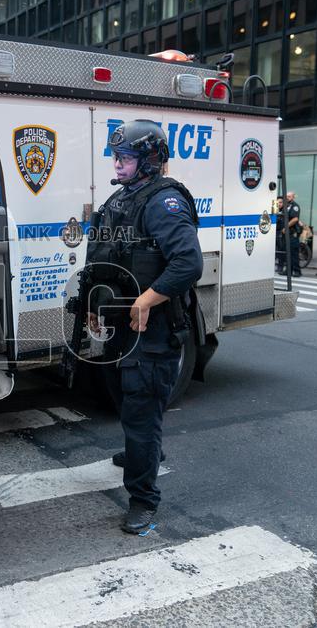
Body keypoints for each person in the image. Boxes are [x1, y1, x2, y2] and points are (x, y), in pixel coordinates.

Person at [86, 120, 203, 534]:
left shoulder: (163, 202)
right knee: (124, 399)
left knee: (141, 409)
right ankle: (143, 449)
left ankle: (143, 498)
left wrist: (147, 299)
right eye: (115, 157)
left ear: (149, 160)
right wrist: (91, 305)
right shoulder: (122, 200)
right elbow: (101, 257)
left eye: (125, 158)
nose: (117, 164)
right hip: (119, 326)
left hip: (150, 331)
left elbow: (188, 264)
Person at [279, 191, 302, 276]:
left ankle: (297, 271)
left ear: (293, 197)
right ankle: (288, 270)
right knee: (287, 252)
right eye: (286, 196)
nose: (287, 198)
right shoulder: (286, 206)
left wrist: (286, 227)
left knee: (293, 253)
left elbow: (295, 219)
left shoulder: (295, 206)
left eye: (289, 196)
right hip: (286, 234)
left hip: (292, 233)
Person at [274, 196, 285, 273]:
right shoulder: (275, 209)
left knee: (281, 250)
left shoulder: (285, 210)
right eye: (278, 202)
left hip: (281, 233)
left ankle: (280, 266)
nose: (279, 204)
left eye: (281, 202)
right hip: (274, 232)